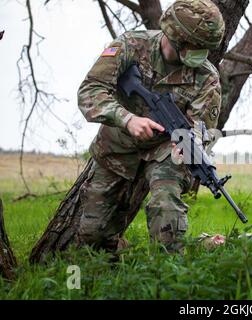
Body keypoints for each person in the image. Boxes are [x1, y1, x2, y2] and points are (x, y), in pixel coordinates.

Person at [76, 0, 224, 252]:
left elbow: (202, 127)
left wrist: (195, 143)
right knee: (93, 235)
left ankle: (169, 269)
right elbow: (90, 91)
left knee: (166, 217)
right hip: (118, 145)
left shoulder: (207, 77)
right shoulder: (131, 45)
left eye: (206, 48)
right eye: (196, 46)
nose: (202, 53)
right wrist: (127, 119)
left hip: (165, 149)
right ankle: (124, 262)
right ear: (176, 36)